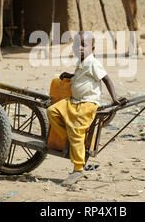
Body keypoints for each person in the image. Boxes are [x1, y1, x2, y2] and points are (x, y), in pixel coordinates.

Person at [46, 31, 127, 186]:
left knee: (76, 129)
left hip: (87, 103)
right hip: (73, 100)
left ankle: (78, 169)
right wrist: (69, 75)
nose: (80, 48)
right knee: (52, 111)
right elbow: (80, 77)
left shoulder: (93, 63)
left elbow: (107, 79)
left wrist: (114, 98)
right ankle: (70, 140)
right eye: (77, 45)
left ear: (93, 48)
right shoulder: (81, 62)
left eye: (84, 45)